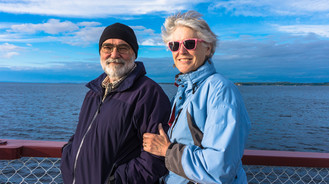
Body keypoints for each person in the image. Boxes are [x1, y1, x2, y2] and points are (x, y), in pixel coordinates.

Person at [143, 11, 251, 184]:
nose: (182, 51)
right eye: (174, 45)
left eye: (190, 43)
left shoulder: (220, 90)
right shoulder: (185, 92)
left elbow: (219, 169)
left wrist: (167, 150)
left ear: (208, 48)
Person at [60, 23, 171, 184]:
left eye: (123, 48)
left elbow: (156, 157)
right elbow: (80, 136)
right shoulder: (93, 93)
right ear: (100, 52)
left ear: (134, 53)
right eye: (107, 47)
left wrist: (114, 180)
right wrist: (68, 159)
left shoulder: (147, 93)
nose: (114, 54)